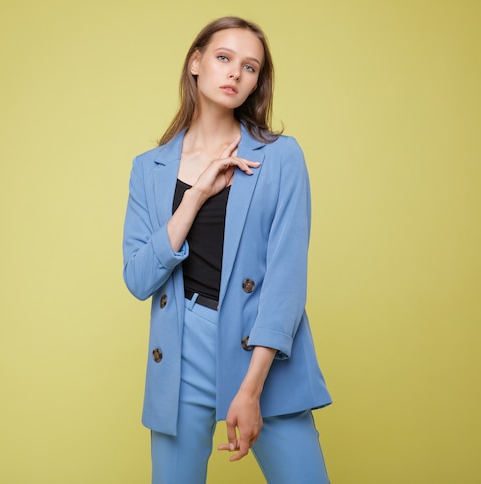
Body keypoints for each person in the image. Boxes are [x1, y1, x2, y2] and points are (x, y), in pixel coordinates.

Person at [122, 16, 331, 483]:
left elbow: (286, 280)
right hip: (181, 348)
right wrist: (194, 195)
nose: (236, 73)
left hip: (262, 350)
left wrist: (251, 387)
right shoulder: (149, 169)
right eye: (224, 58)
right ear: (195, 63)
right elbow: (138, 278)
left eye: (250, 67)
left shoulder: (281, 157)